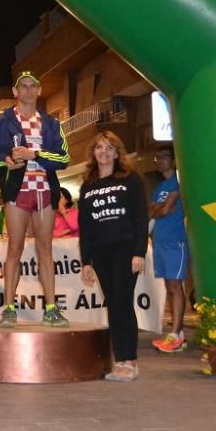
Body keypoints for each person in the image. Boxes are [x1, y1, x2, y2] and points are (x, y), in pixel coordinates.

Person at [0, 71, 70, 327]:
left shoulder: (51, 123)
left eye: (33, 86)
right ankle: (9, 308)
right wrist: (6, 160)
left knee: (45, 250)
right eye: (24, 87)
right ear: (15, 91)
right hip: (17, 191)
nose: (28, 91)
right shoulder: (1, 119)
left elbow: (63, 159)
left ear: (39, 91)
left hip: (44, 190)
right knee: (14, 249)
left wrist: (35, 154)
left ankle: (51, 309)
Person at [78, 131, 149, 382]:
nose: (104, 152)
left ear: (117, 153)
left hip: (126, 249)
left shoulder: (130, 179)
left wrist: (138, 252)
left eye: (109, 148)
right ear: (93, 152)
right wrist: (86, 260)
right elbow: (84, 226)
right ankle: (120, 360)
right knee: (113, 304)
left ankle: (129, 360)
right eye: (99, 147)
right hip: (100, 252)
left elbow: (141, 218)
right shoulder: (87, 185)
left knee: (122, 301)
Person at [149, 144, 190, 353]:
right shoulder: (160, 187)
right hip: (160, 241)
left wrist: (160, 209)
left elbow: (163, 210)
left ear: (174, 160)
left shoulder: (178, 183)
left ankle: (176, 335)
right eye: (157, 157)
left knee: (176, 286)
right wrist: (160, 209)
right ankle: (178, 333)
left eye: (164, 156)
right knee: (169, 287)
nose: (160, 160)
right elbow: (154, 211)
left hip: (175, 241)